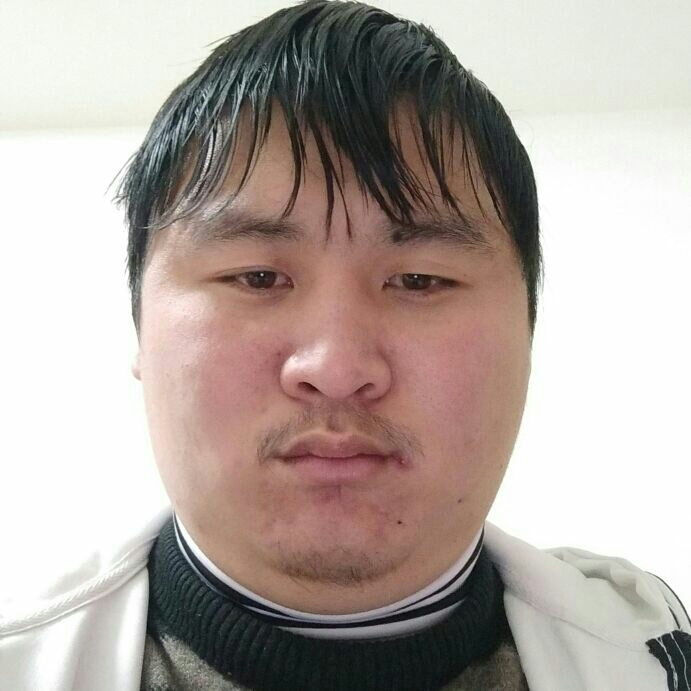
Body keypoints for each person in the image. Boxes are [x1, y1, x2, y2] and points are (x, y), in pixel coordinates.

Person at [1, 1, 689, 689]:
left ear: (528, 331)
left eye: (419, 280)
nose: (335, 368)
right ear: (140, 331)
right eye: (257, 277)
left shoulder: (661, 658)